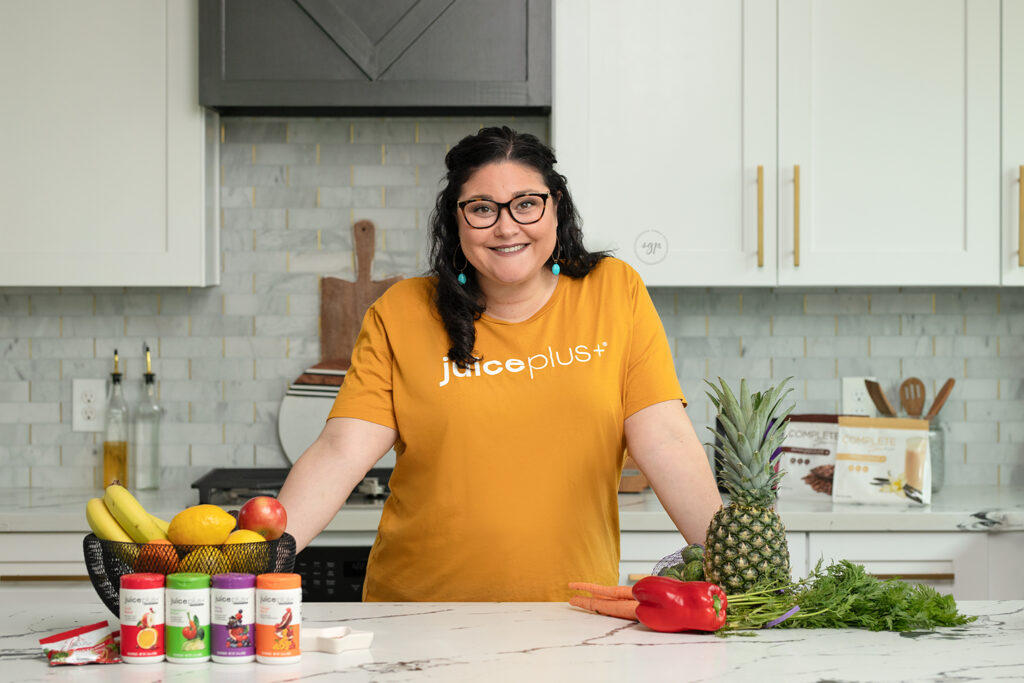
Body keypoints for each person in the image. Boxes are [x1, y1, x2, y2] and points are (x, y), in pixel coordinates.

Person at [277, 126, 722, 602]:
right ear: (457, 220)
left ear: (556, 207)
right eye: (483, 209)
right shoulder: (401, 311)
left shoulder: (614, 292)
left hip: (570, 617)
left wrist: (736, 565)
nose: (507, 227)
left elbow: (667, 439)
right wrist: (267, 552)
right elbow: (341, 450)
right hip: (413, 620)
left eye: (526, 203)